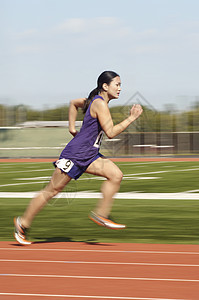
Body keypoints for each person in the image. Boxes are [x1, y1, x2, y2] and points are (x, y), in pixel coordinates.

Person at [14, 70, 143, 245]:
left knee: (116, 175)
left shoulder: (94, 101)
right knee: (52, 191)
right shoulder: (100, 104)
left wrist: (72, 128)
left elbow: (73, 103)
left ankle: (101, 214)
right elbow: (111, 133)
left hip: (90, 155)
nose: (120, 88)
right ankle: (23, 223)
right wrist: (131, 118)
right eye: (117, 84)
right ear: (105, 86)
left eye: (120, 85)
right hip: (75, 155)